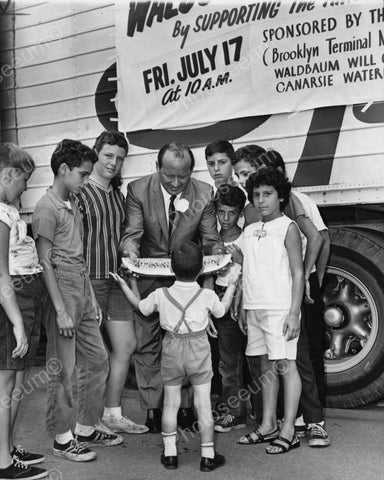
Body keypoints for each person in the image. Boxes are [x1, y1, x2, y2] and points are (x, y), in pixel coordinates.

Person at [120, 142, 223, 433]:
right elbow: (132, 233)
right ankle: (154, 409)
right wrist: (130, 253)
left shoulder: (203, 192)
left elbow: (211, 239)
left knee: (191, 342)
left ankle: (187, 407)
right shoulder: (138, 189)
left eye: (183, 177)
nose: (176, 184)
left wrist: (214, 270)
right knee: (147, 344)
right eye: (169, 177)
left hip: (188, 276)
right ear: (157, 168)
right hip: (149, 276)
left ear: (192, 171)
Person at [111, 241, 240, 471]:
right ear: (201, 270)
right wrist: (230, 286)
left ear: (171, 269)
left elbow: (140, 307)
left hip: (172, 347)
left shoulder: (161, 294)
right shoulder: (206, 294)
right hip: (199, 348)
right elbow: (222, 310)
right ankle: (208, 455)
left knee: (170, 404)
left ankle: (170, 454)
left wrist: (126, 283)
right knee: (202, 403)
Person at [32, 139, 122, 463]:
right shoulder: (46, 208)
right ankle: (62, 438)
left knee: (98, 359)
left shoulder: (73, 202)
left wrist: (91, 300)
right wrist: (60, 311)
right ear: (64, 170)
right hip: (61, 290)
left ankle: (84, 426)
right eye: (83, 175)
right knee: (63, 368)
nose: (87, 180)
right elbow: (44, 262)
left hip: (80, 286)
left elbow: (78, 254)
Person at [74, 131, 147, 435]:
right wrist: (86, 291)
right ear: (96, 154)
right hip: (90, 280)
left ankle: (112, 413)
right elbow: (73, 247)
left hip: (118, 279)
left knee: (126, 345)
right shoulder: (79, 193)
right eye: (107, 155)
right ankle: (85, 423)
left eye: (119, 158)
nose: (113, 163)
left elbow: (127, 239)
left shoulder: (119, 197)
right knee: (91, 357)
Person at [258, 150, 331, 446]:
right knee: (283, 358)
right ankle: (287, 418)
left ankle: (314, 421)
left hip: (295, 286)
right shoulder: (258, 208)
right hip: (275, 292)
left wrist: (313, 276)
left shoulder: (292, 203)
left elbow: (318, 238)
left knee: (301, 355)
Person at [237, 167, 304, 454]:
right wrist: (242, 305)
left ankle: (289, 429)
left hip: (280, 308)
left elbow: (299, 273)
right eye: (256, 195)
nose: (261, 200)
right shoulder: (250, 230)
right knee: (264, 367)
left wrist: (293, 312)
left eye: (267, 194)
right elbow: (242, 266)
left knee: (286, 365)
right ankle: (268, 424)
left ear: (280, 196)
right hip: (255, 308)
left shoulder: (288, 227)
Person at [0, 144, 47, 480]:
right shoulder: (1, 213)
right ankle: (1, 464)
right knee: (4, 386)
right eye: (24, 179)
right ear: (8, 174)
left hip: (23, 295)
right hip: (11, 301)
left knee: (16, 382)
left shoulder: (9, 210)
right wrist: (17, 322)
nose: (26, 187)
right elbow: (1, 274)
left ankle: (8, 447)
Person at [212, 185, 248, 432]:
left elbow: (259, 272)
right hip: (219, 297)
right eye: (221, 212)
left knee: (253, 359)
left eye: (231, 213)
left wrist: (241, 260)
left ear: (240, 213)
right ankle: (232, 411)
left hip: (244, 300)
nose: (225, 219)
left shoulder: (247, 237)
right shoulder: (213, 239)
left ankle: (243, 411)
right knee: (227, 362)